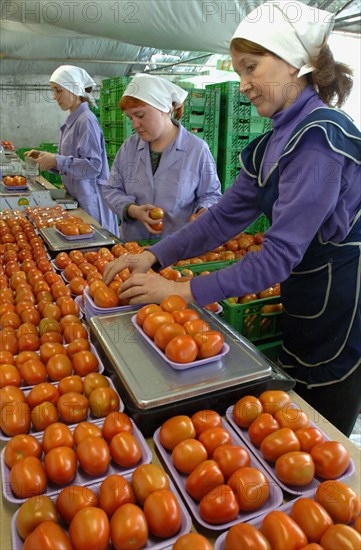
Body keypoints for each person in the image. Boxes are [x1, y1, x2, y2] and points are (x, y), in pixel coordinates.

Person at [103, 1, 361, 437]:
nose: (243, 84)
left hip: (340, 302)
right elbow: (223, 219)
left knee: (322, 430)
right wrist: (154, 256)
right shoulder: (272, 142)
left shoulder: (320, 139)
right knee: (295, 416)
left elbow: (275, 257)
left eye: (251, 67)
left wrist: (181, 290)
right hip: (306, 290)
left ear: (295, 63)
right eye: (239, 71)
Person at [102, 73, 222, 241]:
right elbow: (111, 189)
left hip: (178, 248)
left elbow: (211, 194)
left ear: (166, 108)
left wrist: (204, 211)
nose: (135, 124)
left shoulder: (196, 149)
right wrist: (132, 209)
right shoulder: (129, 148)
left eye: (140, 115)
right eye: (130, 118)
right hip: (134, 246)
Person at [25, 65, 119, 237]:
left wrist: (56, 160)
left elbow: (93, 166)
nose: (55, 96)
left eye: (58, 91)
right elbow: (70, 161)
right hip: (79, 197)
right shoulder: (74, 120)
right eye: (54, 91)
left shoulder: (86, 121)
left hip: (91, 201)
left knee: (97, 248)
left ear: (74, 89)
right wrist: (46, 158)